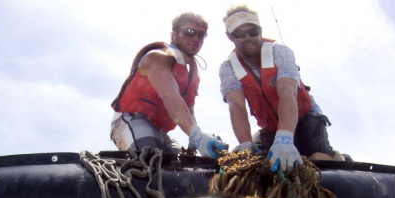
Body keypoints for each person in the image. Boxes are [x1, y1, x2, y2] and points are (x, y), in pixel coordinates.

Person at [219, 5, 345, 172]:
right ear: (229, 36)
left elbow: (288, 92)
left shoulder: (280, 52)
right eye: (240, 33)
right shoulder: (228, 67)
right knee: (268, 166)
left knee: (317, 161)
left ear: (260, 30)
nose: (248, 37)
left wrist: (285, 137)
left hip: (304, 115)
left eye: (253, 31)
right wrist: (246, 144)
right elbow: (237, 107)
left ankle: (337, 156)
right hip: (271, 125)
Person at [111, 12, 227, 158]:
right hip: (132, 118)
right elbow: (170, 95)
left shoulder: (192, 74)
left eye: (201, 35)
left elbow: (189, 110)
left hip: (161, 131)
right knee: (151, 160)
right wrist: (197, 135)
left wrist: (195, 139)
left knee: (185, 169)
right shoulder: (157, 57)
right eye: (190, 32)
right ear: (174, 35)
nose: (196, 38)